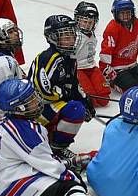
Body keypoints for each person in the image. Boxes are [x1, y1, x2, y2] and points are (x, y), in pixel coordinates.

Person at [0, 79, 123, 196]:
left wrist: (72, 162)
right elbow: (50, 165)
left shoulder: (5, 124)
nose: (36, 100)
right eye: (30, 100)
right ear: (20, 108)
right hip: (15, 185)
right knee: (70, 185)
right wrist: (72, 176)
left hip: (6, 178)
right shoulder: (26, 131)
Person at [28, 15, 95, 163]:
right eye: (65, 36)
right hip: (35, 111)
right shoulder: (49, 58)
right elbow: (41, 90)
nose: (70, 39)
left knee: (80, 106)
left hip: (47, 107)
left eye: (71, 34)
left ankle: (53, 138)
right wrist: (65, 95)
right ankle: (57, 148)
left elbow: (73, 83)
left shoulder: (69, 57)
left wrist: (85, 99)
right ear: (52, 38)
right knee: (76, 110)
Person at [99, 0, 138, 92]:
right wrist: (105, 66)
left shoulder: (136, 23)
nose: (126, 16)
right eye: (122, 13)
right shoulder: (112, 28)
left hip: (133, 65)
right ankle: (113, 82)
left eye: (128, 12)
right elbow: (106, 49)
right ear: (116, 14)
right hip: (117, 68)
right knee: (131, 90)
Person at [72, 1, 111, 108]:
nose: (87, 25)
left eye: (90, 22)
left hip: (92, 67)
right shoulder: (74, 36)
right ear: (77, 20)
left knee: (104, 99)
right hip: (78, 70)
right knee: (90, 101)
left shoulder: (92, 34)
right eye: (84, 21)